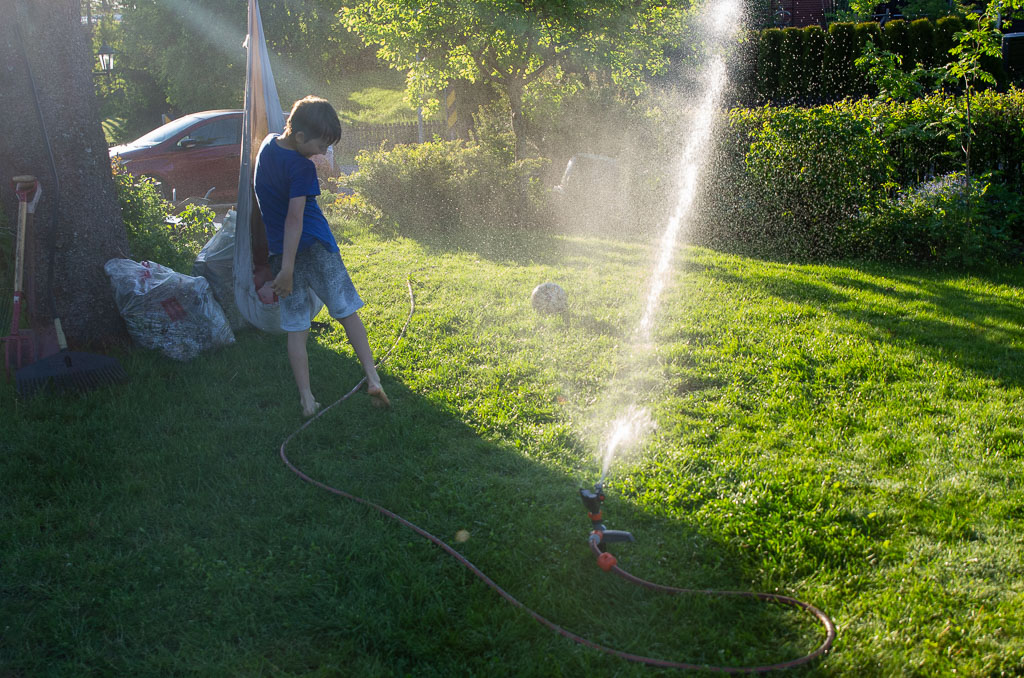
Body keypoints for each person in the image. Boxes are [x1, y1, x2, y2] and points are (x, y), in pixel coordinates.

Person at [254, 95, 389, 416]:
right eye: (321, 145)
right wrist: (286, 270)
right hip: (315, 246)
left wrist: (281, 264)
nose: (324, 152)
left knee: (297, 327)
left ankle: (307, 399)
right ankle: (372, 377)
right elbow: (295, 218)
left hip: (278, 250)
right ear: (300, 137)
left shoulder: (267, 146)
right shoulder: (301, 167)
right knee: (346, 311)